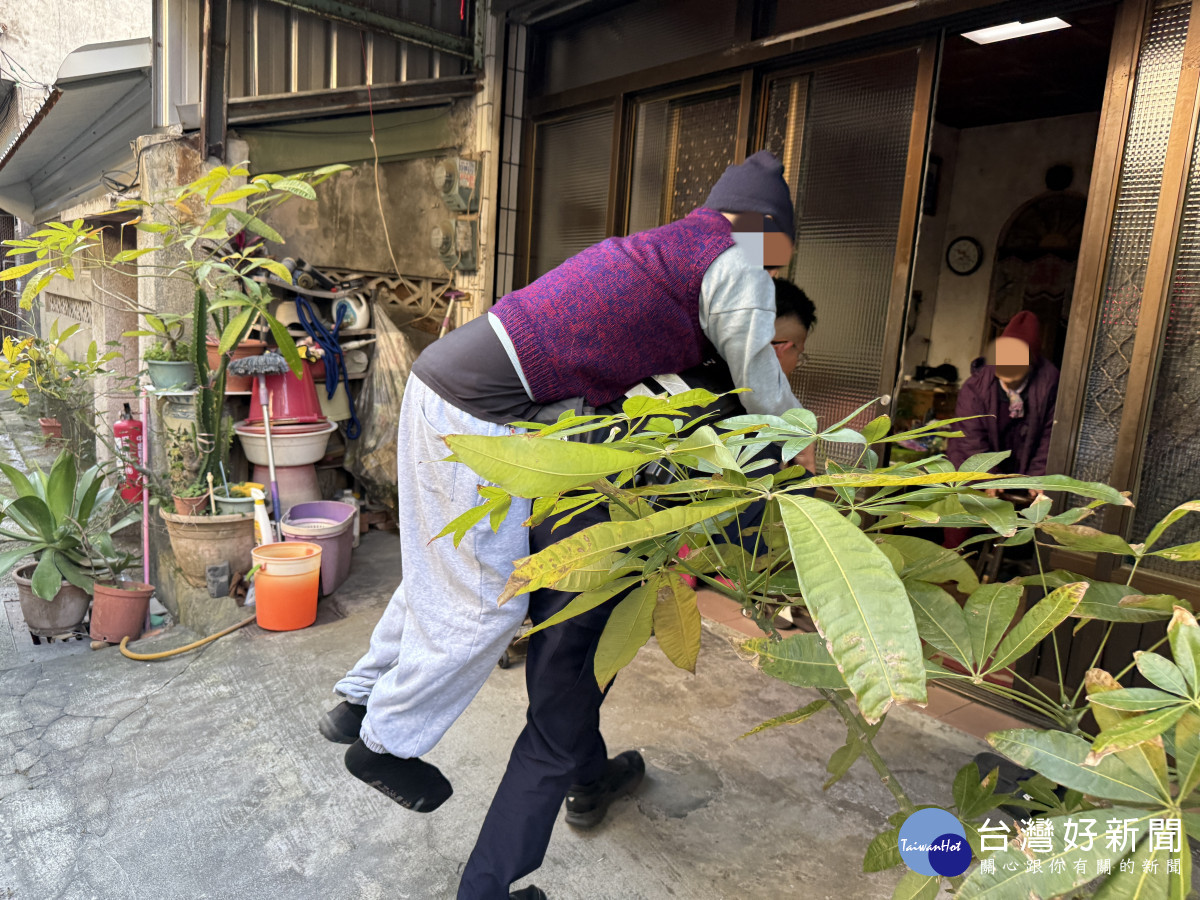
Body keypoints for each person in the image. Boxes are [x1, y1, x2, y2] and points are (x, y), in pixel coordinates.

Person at [319, 151, 806, 890]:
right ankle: (387, 746)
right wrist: (805, 455)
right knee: (484, 609)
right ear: (765, 233)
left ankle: (359, 704)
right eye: (784, 340)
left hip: (460, 394)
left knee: (437, 572)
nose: (779, 347)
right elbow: (761, 397)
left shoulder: (662, 283)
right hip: (512, 458)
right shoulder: (726, 279)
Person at [457, 279, 816, 900]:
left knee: (566, 685)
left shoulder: (657, 371)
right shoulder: (746, 416)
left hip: (541, 534)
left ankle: (592, 779)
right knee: (552, 723)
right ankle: (484, 890)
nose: (792, 363)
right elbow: (756, 532)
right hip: (600, 563)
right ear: (761, 342)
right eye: (790, 348)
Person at [944, 310, 1059, 546]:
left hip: (1022, 456)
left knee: (1017, 526)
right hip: (973, 459)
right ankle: (954, 564)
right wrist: (991, 477)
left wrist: (1036, 477)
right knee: (962, 518)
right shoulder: (976, 386)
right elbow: (971, 438)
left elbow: (1050, 435)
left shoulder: (1050, 385)